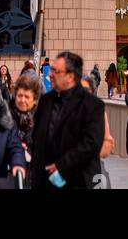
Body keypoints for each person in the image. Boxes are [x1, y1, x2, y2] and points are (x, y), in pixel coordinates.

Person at [30, 50, 105, 190]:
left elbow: (91, 144)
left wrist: (62, 165)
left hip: (78, 181)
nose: (49, 75)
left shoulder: (93, 105)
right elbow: (37, 139)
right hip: (45, 182)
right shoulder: (45, 101)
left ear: (70, 76)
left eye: (55, 71)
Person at [9, 76, 37, 168]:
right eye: (20, 96)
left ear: (34, 100)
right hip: (11, 168)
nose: (22, 100)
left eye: (27, 97)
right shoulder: (6, 116)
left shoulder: (40, 117)